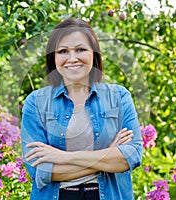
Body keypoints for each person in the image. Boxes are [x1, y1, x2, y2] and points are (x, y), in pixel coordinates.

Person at [21, 18, 142, 200]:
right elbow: (41, 171)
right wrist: (108, 154)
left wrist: (61, 157)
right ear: (53, 58)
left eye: (80, 49)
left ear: (94, 53)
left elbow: (130, 157)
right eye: (63, 51)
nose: (72, 58)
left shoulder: (119, 97)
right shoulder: (36, 102)